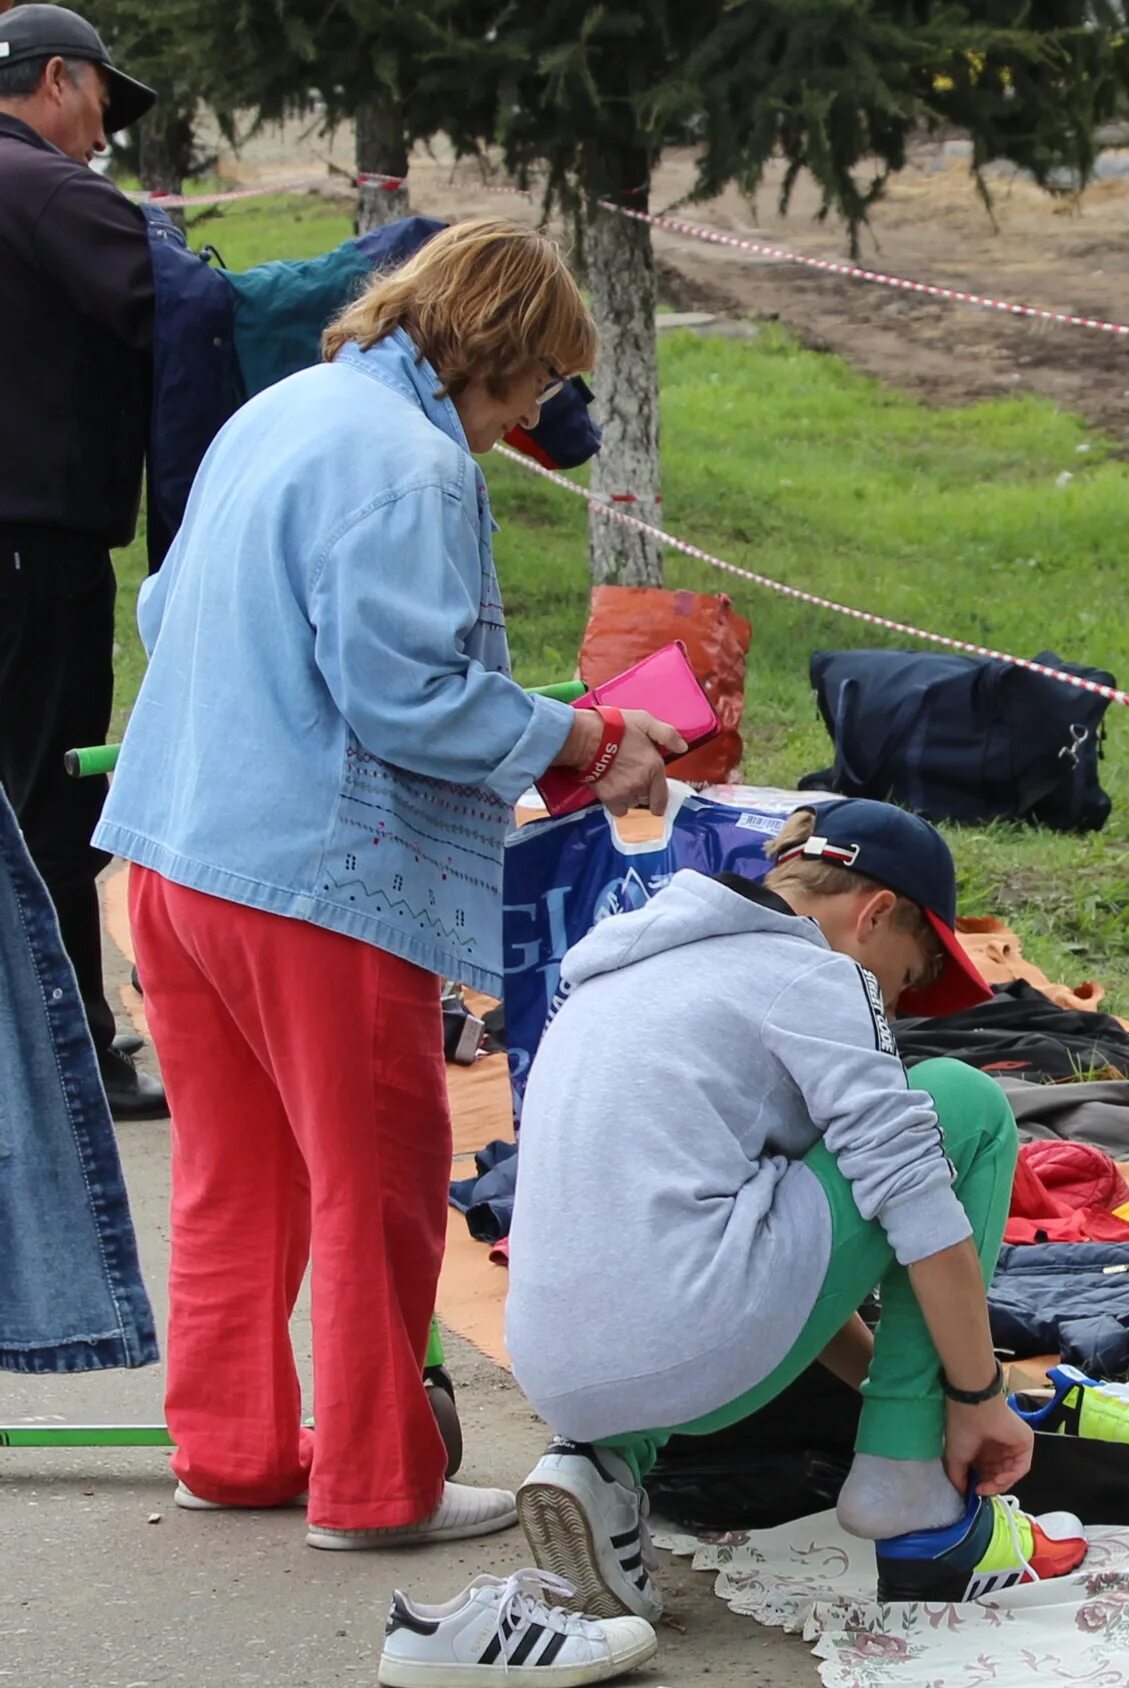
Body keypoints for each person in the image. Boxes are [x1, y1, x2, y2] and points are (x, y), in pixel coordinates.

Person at [95, 218, 689, 1547]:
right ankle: (374, 1485)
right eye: (542, 382)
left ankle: (237, 1452)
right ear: (502, 351)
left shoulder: (286, 409)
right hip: (312, 880)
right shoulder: (416, 465)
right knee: (378, 1180)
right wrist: (584, 735)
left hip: (176, 852)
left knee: (235, 1176)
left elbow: (161, 613)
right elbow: (406, 697)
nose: (540, 412)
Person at [503, 801, 1091, 1623]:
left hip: (559, 1370)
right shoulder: (814, 976)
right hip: (691, 1340)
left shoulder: (624, 967)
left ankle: (597, 1468)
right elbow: (914, 1203)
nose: (893, 1009)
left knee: (692, 1228)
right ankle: (913, 1496)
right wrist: (975, 1395)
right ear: (875, 915)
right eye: (908, 978)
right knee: (961, 1103)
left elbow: (780, 1263)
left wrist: (892, 1377)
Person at [0, 4, 166, 1119]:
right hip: (33, 545)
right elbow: (185, 306)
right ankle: (69, 1057)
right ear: (56, 78)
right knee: (48, 800)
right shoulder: (47, 188)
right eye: (104, 96)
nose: (106, 129)